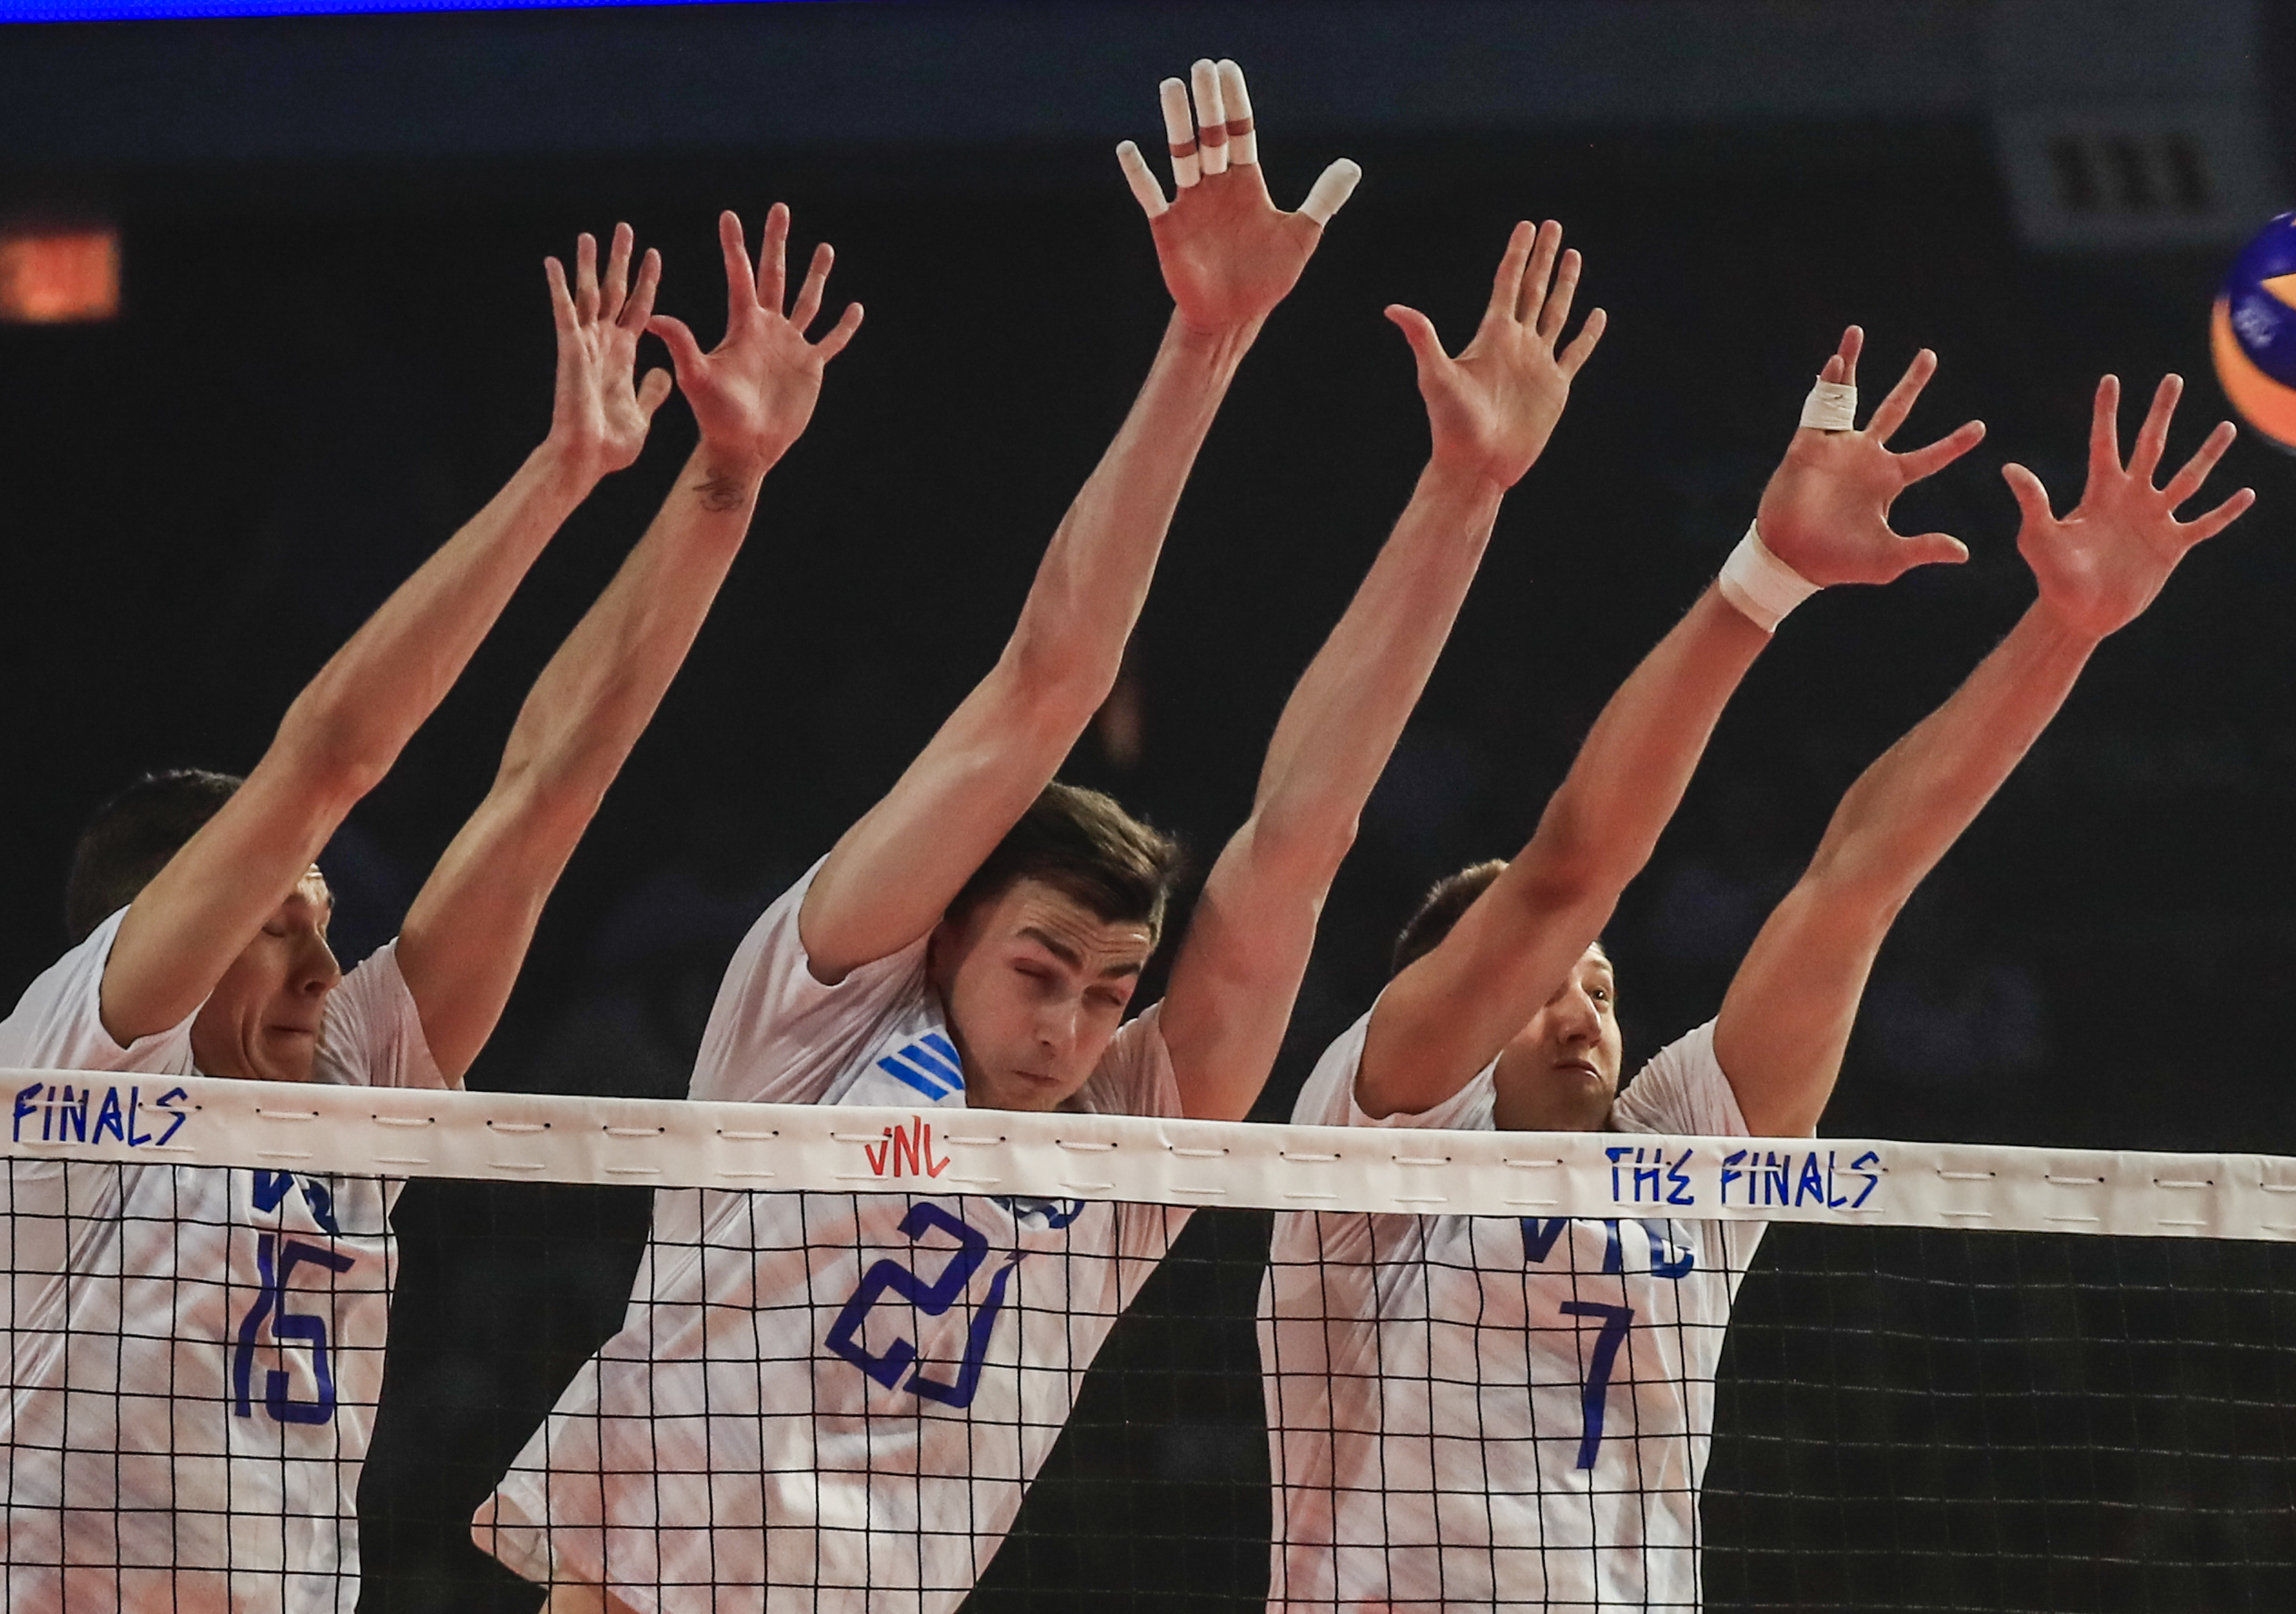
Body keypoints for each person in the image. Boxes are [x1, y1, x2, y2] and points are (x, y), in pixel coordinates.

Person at [475, 70, 1606, 1614]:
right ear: (951, 931)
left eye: (1107, 986)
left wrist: (1464, 494)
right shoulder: (817, 1015)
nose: (1071, 1024)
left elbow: (1300, 839)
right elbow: (1045, 683)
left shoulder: (1124, 1135)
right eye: (1042, 969)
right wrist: (1205, 342)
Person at [0, 212, 858, 1614]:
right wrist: (558, 475)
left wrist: (722, 481)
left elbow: (546, 791)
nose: (322, 962)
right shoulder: (84, 1056)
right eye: (276, 920)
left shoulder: (348, 1081)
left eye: (321, 920)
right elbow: (329, 759)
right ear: (159, 924)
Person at [1259, 353, 2255, 1610]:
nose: (1581, 1013)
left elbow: (1858, 881)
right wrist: (1764, 575)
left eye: (1603, 990)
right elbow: (1567, 876)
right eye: (1540, 986)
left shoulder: (1685, 1154)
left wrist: (2065, 629)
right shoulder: (1381, 1132)